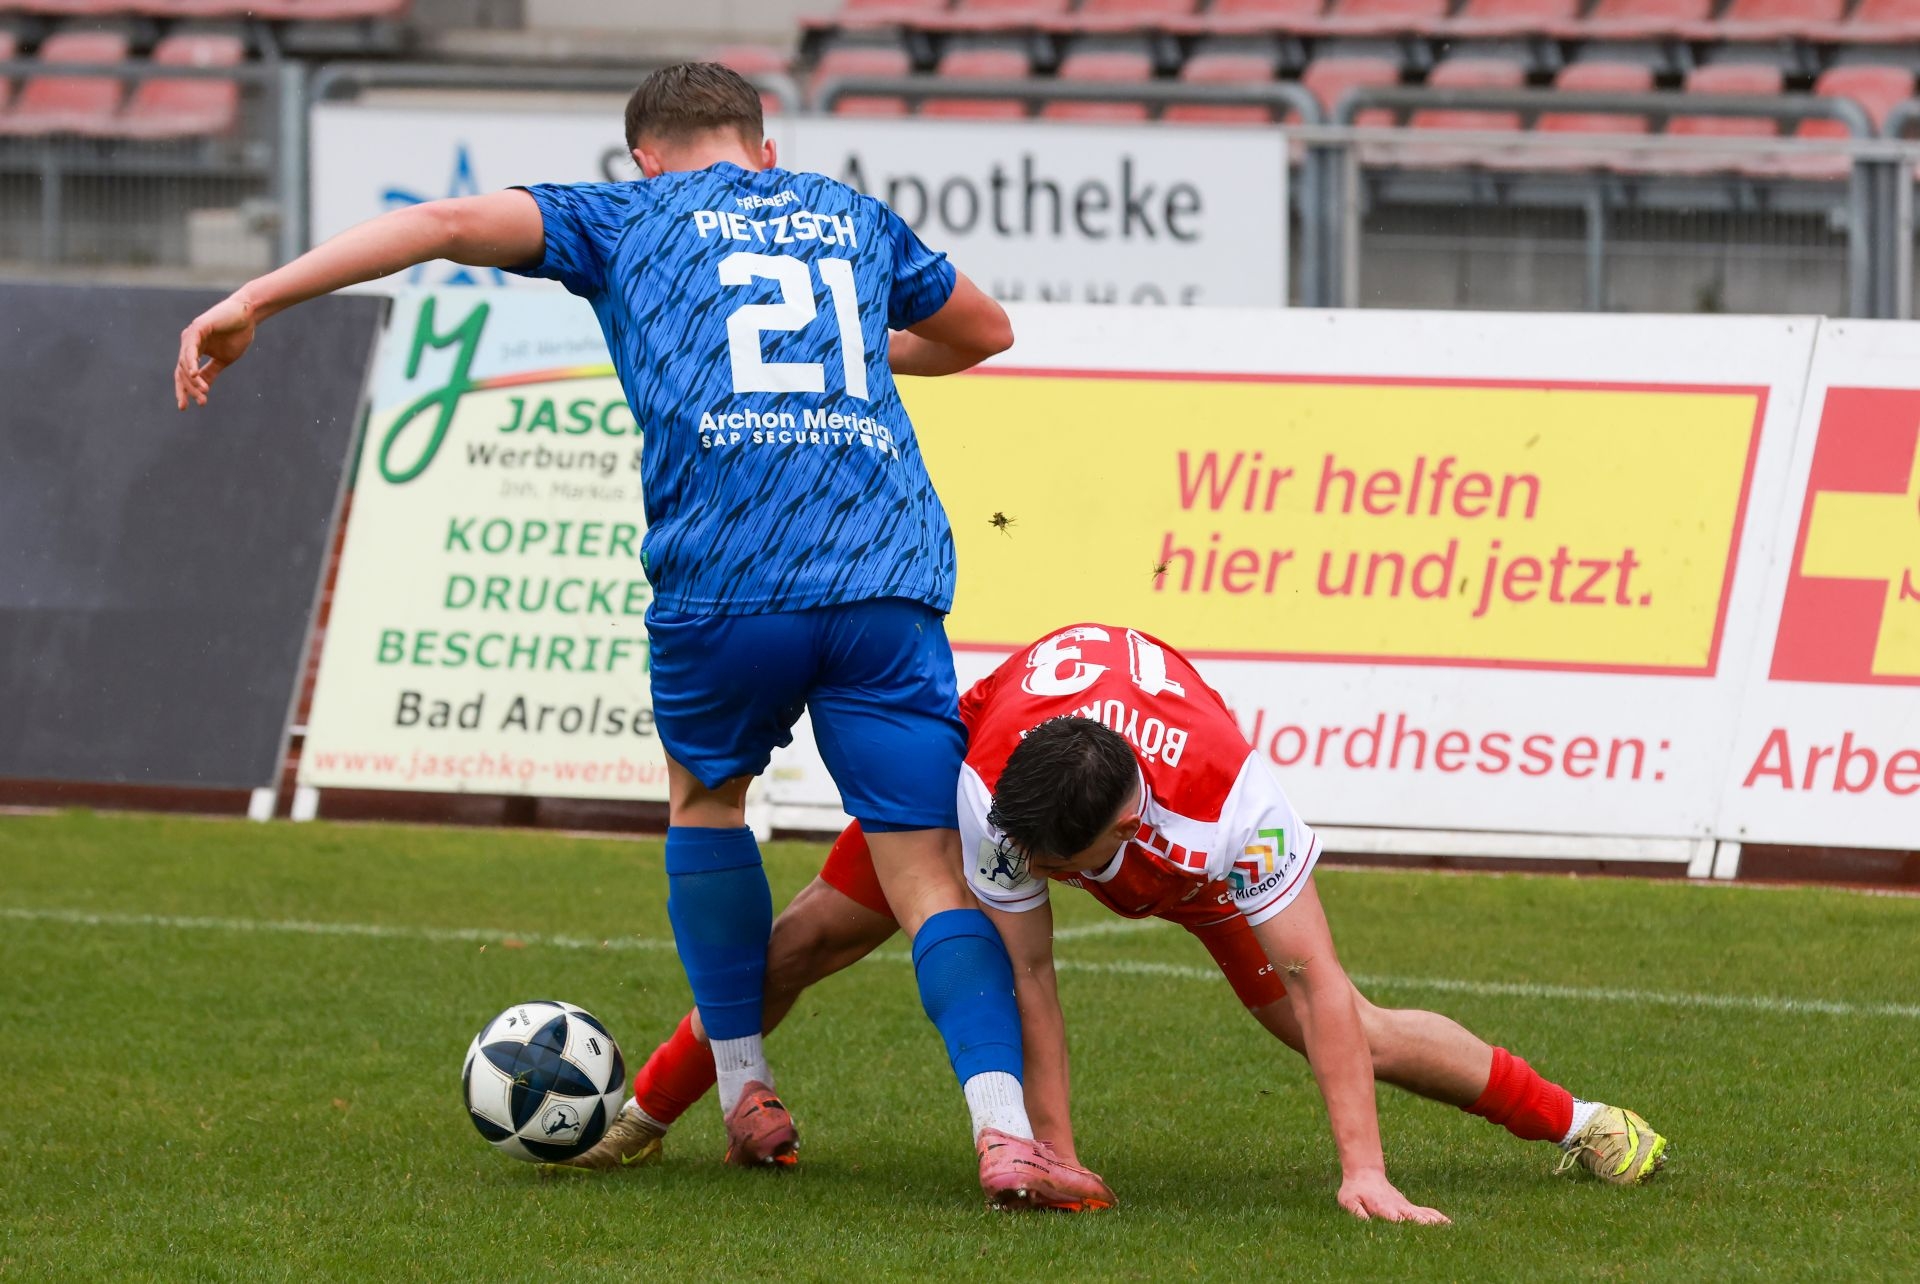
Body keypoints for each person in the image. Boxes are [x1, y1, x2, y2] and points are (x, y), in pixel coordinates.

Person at [173, 61, 1102, 1211]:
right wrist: (852, 360)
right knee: (924, 867)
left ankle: (746, 1088)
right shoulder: (850, 213)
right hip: (881, 577)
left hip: (727, 582)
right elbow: (985, 331)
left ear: (643, 158)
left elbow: (442, 222)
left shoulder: (622, 214)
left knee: (709, 806)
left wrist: (254, 299)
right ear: (765, 148)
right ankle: (1003, 1134)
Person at [569, 624, 1670, 1218]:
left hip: (1184, 846)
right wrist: (1056, 1156)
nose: (1043, 878)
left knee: (1340, 1029)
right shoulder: (997, 789)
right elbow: (1028, 979)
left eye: (1065, 868)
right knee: (812, 935)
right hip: (999, 758)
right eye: (1032, 861)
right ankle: (647, 1111)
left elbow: (1317, 980)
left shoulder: (1235, 810)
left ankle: (1579, 1121)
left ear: (1127, 826)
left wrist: (1363, 1173)